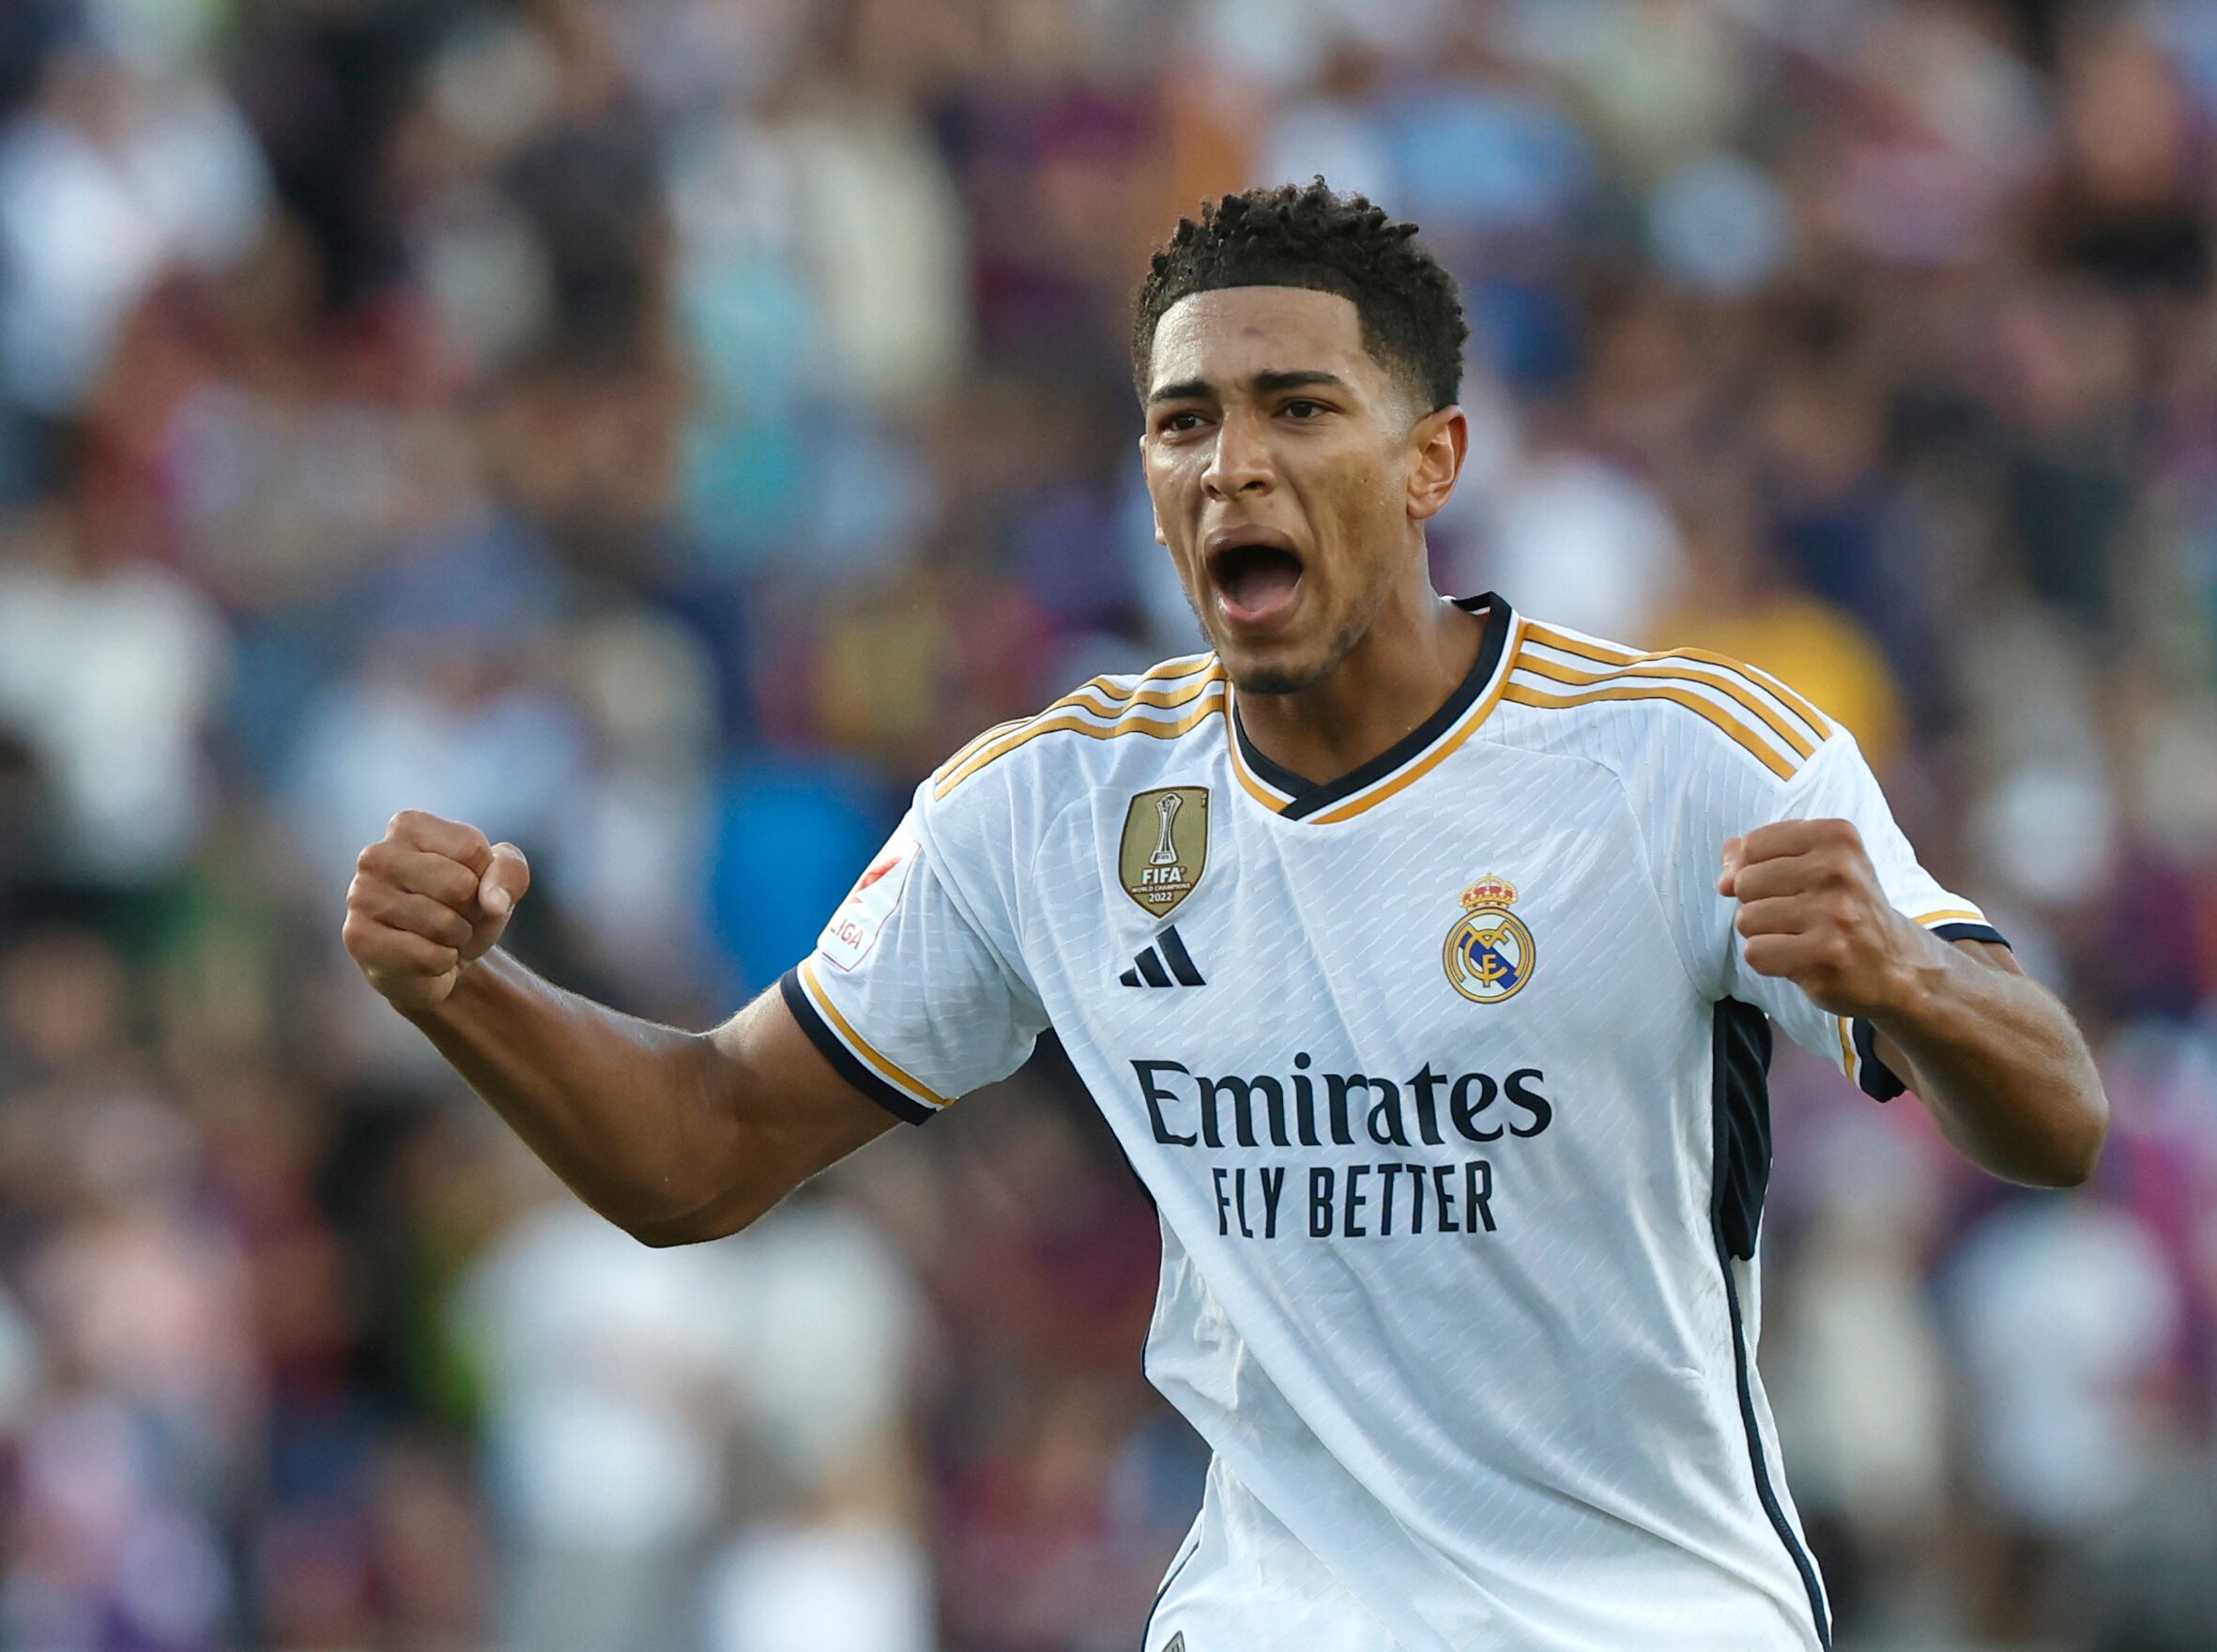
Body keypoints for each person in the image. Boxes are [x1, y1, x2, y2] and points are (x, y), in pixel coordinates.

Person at [339, 180, 2108, 1652]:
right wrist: (465, 991)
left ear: (1431, 462)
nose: (1232, 465)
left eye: (1298, 410)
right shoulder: (1047, 811)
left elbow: (2061, 1118)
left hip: (1643, 1615)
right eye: (1186, 421)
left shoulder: (1683, 760)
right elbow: (700, 1149)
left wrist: (1907, 980)